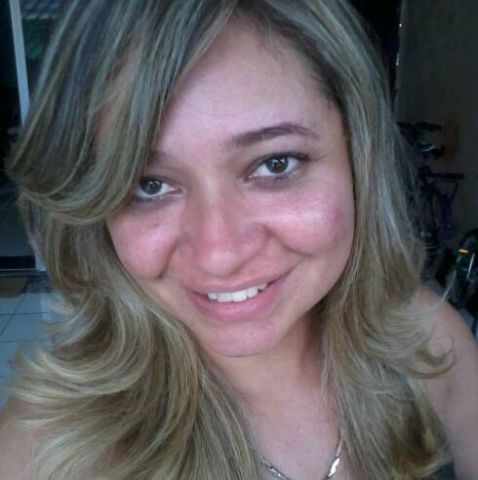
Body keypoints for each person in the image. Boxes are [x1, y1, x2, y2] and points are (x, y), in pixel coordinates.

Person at [1, 0, 477, 478]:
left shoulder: (429, 342)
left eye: (275, 164)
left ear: (358, 159)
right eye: (149, 185)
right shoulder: (47, 450)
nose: (219, 255)